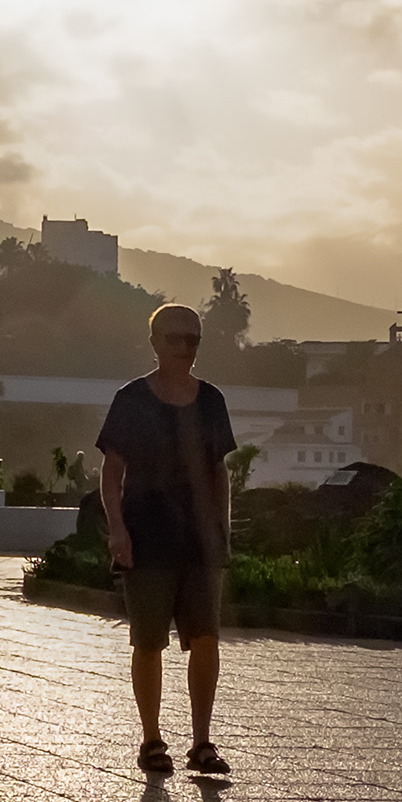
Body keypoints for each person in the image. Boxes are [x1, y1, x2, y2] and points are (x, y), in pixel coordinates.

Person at [97, 303, 237, 774]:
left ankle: (202, 741)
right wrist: (117, 528)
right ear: (155, 341)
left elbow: (219, 471)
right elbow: (111, 471)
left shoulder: (211, 401)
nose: (184, 348)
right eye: (175, 338)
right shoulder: (132, 399)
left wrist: (222, 530)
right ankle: (152, 739)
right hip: (147, 532)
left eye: (193, 339)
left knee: (206, 637)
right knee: (149, 640)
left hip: (200, 538)